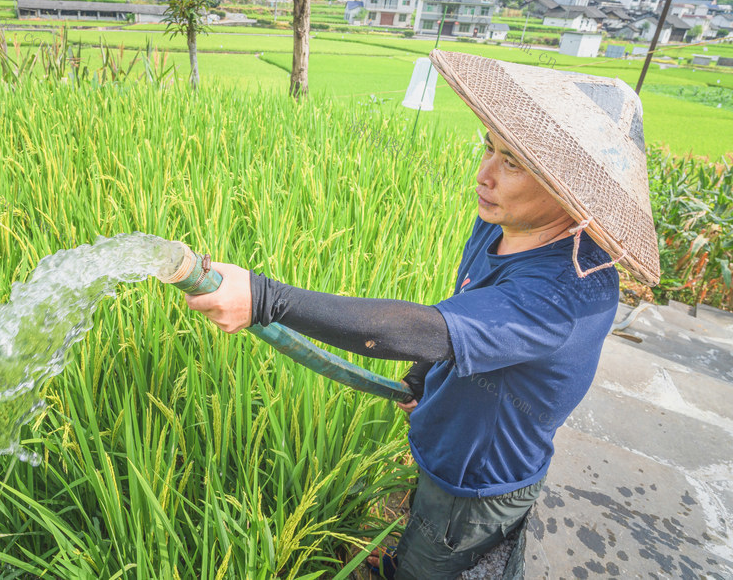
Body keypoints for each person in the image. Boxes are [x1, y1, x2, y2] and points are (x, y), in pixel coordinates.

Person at [183, 50, 660, 579]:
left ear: (570, 189)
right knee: (420, 522)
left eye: (513, 163)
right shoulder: (503, 222)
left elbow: (420, 328)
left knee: (429, 562)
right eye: (489, 147)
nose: (484, 175)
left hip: (475, 484)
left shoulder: (567, 292)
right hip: (446, 442)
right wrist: (424, 373)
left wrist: (265, 298)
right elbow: (459, 318)